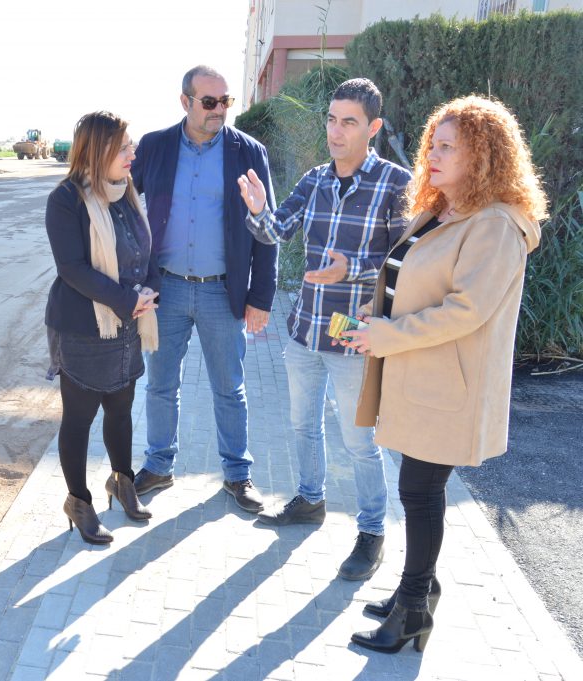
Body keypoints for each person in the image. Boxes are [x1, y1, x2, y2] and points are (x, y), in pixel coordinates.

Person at [342, 96, 546, 652]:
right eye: (433, 143)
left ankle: (412, 609)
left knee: (420, 491)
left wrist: (389, 335)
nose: (432, 154)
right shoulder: (443, 208)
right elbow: (410, 277)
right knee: (418, 489)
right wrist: (376, 313)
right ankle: (418, 590)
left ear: (483, 155)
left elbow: (466, 310)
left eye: (448, 146)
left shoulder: (496, 224)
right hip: (419, 375)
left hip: (449, 386)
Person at [237, 78, 411, 580]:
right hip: (305, 331)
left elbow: (407, 264)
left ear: (373, 128)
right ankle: (310, 500)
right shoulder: (314, 179)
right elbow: (276, 231)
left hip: (354, 339)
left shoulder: (396, 184)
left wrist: (350, 270)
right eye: (332, 119)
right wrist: (258, 209)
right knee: (301, 425)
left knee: (360, 443)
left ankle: (372, 531)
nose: (336, 131)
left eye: (348, 122)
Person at [130, 65, 278, 513]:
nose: (219, 110)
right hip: (166, 290)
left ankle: (237, 474)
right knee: (160, 385)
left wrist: (260, 298)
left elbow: (266, 229)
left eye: (225, 101)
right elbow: (123, 204)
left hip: (222, 292)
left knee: (229, 388)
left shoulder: (248, 152)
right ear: (185, 102)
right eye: (209, 102)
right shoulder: (154, 147)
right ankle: (158, 465)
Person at [44, 111, 161, 545]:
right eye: (124, 147)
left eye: (131, 145)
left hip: (127, 324)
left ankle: (122, 482)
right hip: (83, 329)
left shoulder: (127, 192)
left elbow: (146, 252)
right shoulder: (66, 199)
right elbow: (72, 268)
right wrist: (128, 300)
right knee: (79, 419)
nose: (132, 154)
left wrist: (150, 291)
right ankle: (79, 501)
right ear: (99, 150)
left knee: (121, 409)